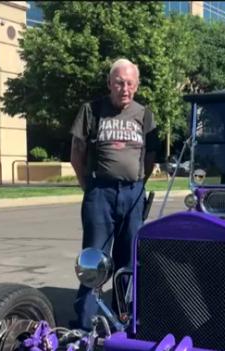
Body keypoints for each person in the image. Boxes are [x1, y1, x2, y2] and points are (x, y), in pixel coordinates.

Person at [69, 58, 159, 330]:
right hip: (100, 193)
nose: (124, 88)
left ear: (137, 85)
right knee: (94, 258)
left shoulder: (145, 115)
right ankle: (84, 323)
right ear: (109, 83)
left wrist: (137, 182)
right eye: (119, 82)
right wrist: (89, 186)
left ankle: (125, 319)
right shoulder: (92, 110)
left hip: (133, 195)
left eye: (130, 83)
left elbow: (150, 157)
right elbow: (77, 153)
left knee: (129, 258)